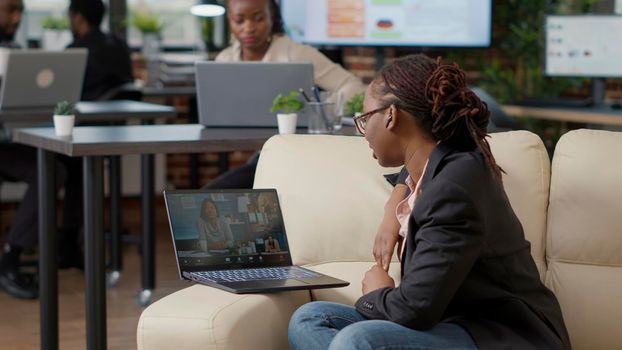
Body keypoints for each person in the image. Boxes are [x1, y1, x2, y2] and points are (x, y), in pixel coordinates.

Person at [288, 54, 571, 349]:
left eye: (364, 118)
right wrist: (391, 209)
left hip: (502, 335)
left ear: (391, 116)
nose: (364, 132)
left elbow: (413, 310)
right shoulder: (445, 161)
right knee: (311, 319)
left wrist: (376, 294)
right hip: (453, 325)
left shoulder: (455, 187)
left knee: (357, 340)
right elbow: (408, 174)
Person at [205, 0, 366, 189]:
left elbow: (354, 86)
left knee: (217, 192)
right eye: (239, 20)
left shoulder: (297, 53)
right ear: (229, 21)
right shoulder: (224, 60)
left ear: (271, 17)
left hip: (299, 155)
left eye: (258, 18)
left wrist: (319, 111)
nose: (248, 28)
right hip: (265, 153)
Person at [67, 0, 134, 101]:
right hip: (122, 112)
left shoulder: (76, 50)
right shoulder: (120, 44)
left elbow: (68, 91)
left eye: (70, 16)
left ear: (78, 18)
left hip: (89, 112)